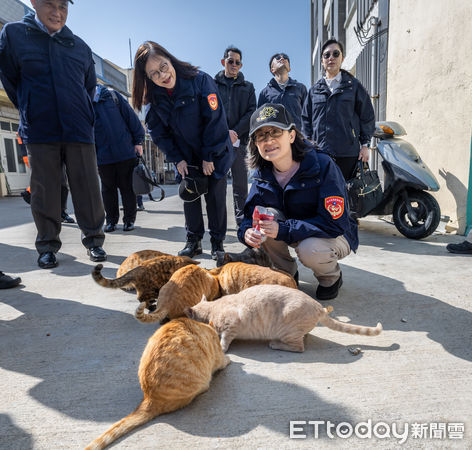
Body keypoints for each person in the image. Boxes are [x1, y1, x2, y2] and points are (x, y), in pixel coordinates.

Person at [0, 0, 106, 269]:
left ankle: (94, 240)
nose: (57, 13)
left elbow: (88, 88)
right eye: (49, 4)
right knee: (44, 190)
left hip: (79, 129)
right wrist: (30, 107)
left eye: (63, 6)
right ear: (34, 2)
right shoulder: (13, 35)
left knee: (88, 188)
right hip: (40, 129)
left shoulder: (80, 46)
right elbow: (10, 81)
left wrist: (82, 114)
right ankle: (47, 246)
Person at [238, 103, 358, 301]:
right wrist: (247, 233)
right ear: (255, 143)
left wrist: (283, 229)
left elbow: (334, 223)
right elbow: (250, 214)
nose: (269, 140)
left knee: (310, 249)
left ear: (292, 135)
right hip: (291, 228)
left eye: (275, 132)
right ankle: (285, 273)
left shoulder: (322, 165)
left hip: (333, 233)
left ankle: (331, 277)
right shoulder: (261, 174)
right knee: (263, 220)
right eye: (261, 135)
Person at [132, 41, 233, 259]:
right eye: (154, 74)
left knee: (215, 199)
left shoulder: (200, 80)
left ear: (171, 60)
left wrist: (208, 156)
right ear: (148, 79)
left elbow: (215, 121)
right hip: (186, 157)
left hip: (214, 151)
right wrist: (177, 159)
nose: (163, 75)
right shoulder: (155, 101)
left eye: (163, 66)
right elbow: (159, 135)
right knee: (190, 198)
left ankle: (217, 243)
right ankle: (194, 241)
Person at [302, 38, 375, 181]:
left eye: (336, 54)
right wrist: (309, 143)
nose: (331, 58)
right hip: (321, 153)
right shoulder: (314, 91)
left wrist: (365, 145)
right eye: (326, 55)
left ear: (342, 58)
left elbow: (367, 115)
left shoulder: (353, 86)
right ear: (322, 61)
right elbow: (306, 119)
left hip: (347, 153)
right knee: (324, 196)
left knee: (348, 196)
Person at [93, 84, 145, 233]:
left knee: (127, 188)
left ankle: (129, 220)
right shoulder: (83, 101)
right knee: (108, 190)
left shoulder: (111, 96)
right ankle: (111, 221)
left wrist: (138, 141)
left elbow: (131, 118)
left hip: (125, 152)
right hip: (103, 156)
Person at [214, 46, 256, 225]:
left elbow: (251, 113)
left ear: (241, 65)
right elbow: (209, 111)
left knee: (240, 187)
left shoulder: (248, 87)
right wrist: (224, 132)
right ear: (224, 62)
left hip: (240, 144)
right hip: (218, 144)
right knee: (218, 187)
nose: (234, 65)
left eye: (237, 62)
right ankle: (219, 225)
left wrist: (236, 132)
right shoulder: (212, 85)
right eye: (230, 61)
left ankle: (242, 224)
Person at [258, 53, 307, 131]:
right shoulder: (264, 93)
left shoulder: (301, 88)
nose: (282, 59)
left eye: (285, 57)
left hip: (297, 137)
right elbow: (261, 121)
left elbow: (307, 115)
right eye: (278, 58)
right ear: (272, 69)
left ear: (289, 68)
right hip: (275, 137)